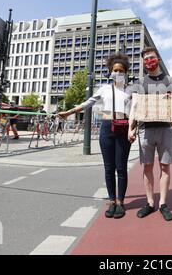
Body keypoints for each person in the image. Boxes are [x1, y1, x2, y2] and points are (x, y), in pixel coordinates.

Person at [59, 53, 132, 219]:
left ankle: (121, 202)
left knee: (121, 168)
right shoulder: (104, 89)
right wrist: (69, 112)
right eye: (115, 70)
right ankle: (112, 200)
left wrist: (134, 128)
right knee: (108, 168)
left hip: (123, 128)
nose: (118, 73)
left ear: (126, 72)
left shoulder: (131, 90)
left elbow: (137, 111)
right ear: (110, 72)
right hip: (107, 128)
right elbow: (88, 103)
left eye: (121, 71)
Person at [128, 47, 172, 222]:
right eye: (146, 59)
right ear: (143, 63)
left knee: (165, 167)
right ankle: (150, 203)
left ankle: (163, 203)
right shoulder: (139, 83)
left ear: (157, 58)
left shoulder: (170, 81)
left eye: (152, 57)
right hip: (146, 129)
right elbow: (135, 106)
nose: (149, 61)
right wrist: (131, 128)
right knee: (147, 166)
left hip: (165, 129)